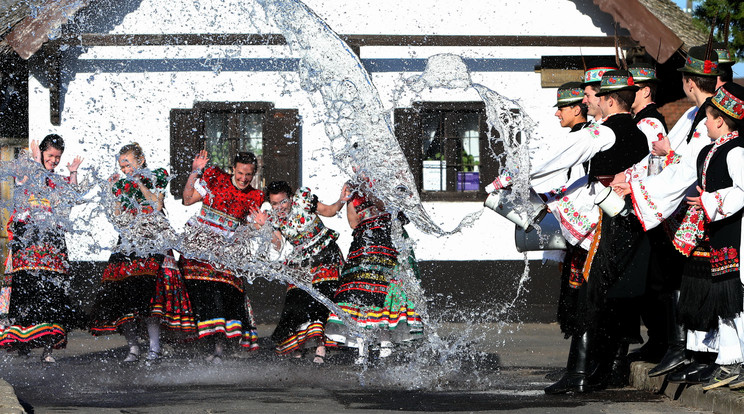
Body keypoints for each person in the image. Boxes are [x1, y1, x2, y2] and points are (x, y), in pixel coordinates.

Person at [616, 82, 744, 389]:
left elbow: (742, 190)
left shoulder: (737, 152)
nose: (705, 125)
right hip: (717, 232)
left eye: (709, 119)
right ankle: (727, 361)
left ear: (719, 121)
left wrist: (709, 201)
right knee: (723, 300)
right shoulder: (712, 150)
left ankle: (735, 361)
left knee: (734, 301)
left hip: (731, 232)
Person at [89, 143, 195, 364]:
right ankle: (133, 347)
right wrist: (112, 194)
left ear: (140, 161)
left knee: (151, 299)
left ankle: (155, 348)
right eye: (122, 166)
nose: (125, 170)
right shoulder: (121, 185)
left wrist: (138, 183)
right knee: (123, 297)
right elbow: (118, 217)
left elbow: (156, 206)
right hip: (129, 244)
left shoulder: (157, 176)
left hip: (152, 243)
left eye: (127, 164)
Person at [0, 134, 82, 363]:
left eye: (58, 157)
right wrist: (35, 160)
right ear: (41, 153)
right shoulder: (28, 171)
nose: (54, 161)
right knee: (27, 291)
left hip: (52, 243)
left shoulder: (58, 181)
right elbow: (25, 183)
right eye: (50, 156)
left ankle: (48, 349)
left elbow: (71, 200)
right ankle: (22, 343)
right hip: (28, 242)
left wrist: (73, 172)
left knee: (52, 293)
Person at [325, 181, 423, 364]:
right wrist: (347, 199)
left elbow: (390, 207)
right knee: (358, 290)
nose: (356, 167)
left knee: (385, 290)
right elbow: (353, 222)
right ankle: (362, 342)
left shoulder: (383, 177)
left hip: (387, 241)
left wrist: (368, 193)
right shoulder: (352, 186)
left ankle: (385, 340)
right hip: (363, 245)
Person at [180, 150, 264, 363]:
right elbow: (188, 199)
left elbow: (250, 229)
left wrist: (259, 226)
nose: (244, 178)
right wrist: (195, 172)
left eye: (249, 175)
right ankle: (203, 344)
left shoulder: (256, 196)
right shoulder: (215, 179)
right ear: (232, 169)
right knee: (200, 295)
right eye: (240, 173)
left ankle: (219, 347)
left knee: (224, 295)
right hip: (199, 248)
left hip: (227, 253)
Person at [253, 181, 348, 364]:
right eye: (274, 203)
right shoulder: (274, 219)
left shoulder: (303, 200)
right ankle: (296, 347)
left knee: (321, 300)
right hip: (302, 263)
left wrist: (341, 201)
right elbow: (278, 245)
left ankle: (320, 348)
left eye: (283, 202)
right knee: (294, 302)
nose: (279, 207)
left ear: (290, 198)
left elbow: (329, 211)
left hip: (326, 256)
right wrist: (265, 228)